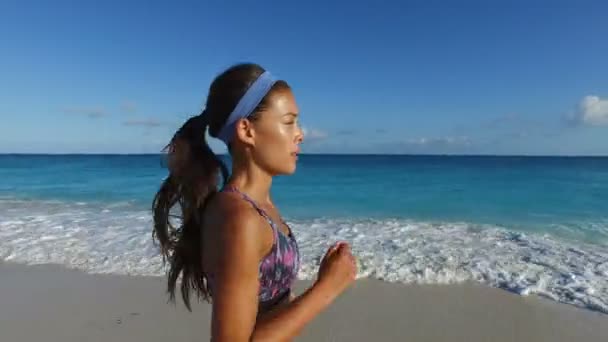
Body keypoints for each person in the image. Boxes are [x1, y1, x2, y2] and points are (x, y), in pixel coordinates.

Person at [152, 63, 358, 341]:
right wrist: (327, 289)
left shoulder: (258, 207)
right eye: (289, 121)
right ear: (246, 130)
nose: (300, 133)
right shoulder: (240, 218)